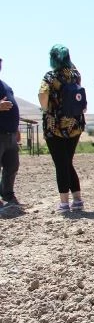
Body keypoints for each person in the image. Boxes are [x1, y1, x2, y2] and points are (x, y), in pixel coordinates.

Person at [38, 45, 86, 212]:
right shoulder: (75, 74)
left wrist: (45, 109)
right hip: (75, 124)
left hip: (55, 125)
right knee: (67, 161)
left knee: (61, 163)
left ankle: (64, 203)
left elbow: (42, 94)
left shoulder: (50, 76)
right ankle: (78, 199)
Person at [0, 57, 21, 212]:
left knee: (12, 165)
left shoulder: (5, 85)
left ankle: (8, 195)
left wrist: (16, 128)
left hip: (10, 134)